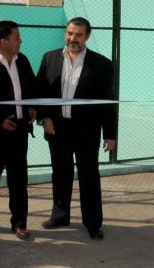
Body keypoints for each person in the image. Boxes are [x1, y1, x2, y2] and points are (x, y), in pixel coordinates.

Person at [36, 17, 116, 240]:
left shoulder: (102, 64)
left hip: (87, 131)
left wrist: (110, 134)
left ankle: (93, 223)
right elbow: (40, 92)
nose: (73, 38)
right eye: (70, 33)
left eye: (79, 34)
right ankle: (60, 215)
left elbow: (109, 102)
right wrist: (44, 118)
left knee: (89, 176)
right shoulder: (49, 58)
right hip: (57, 128)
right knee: (60, 174)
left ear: (87, 36)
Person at [0, 21, 36, 240]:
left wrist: (32, 108)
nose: (20, 40)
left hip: (20, 131)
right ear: (4, 41)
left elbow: (32, 89)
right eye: (17, 37)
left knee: (19, 180)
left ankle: (19, 223)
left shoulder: (23, 61)